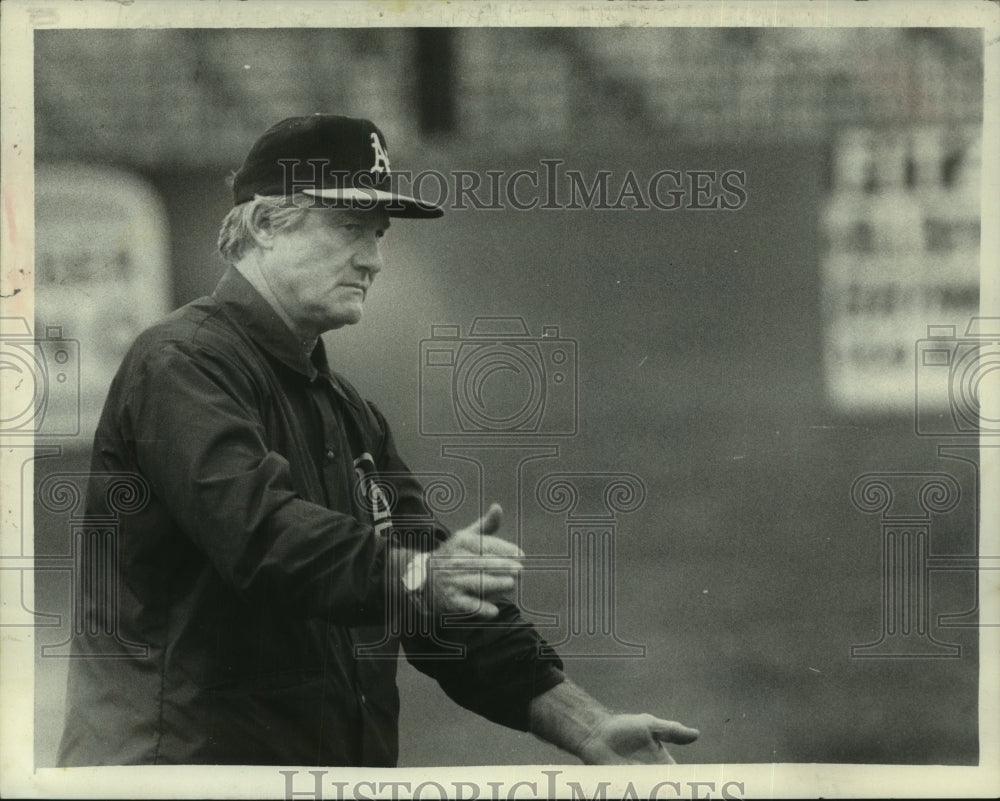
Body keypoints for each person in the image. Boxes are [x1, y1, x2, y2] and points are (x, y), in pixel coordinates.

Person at [56, 114, 699, 767]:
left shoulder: (348, 413)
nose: (373, 258)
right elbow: (262, 535)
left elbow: (444, 604)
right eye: (348, 228)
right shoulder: (183, 361)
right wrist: (418, 573)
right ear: (264, 224)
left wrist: (589, 727)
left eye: (379, 234)